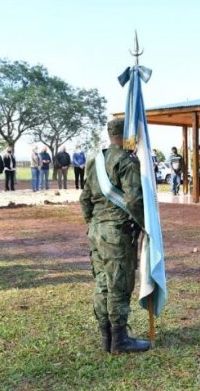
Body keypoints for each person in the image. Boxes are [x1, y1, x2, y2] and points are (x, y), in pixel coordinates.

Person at [80, 118, 151, 354]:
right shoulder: (127, 161)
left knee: (102, 283)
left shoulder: (95, 160)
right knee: (119, 285)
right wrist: (145, 225)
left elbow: (85, 199)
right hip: (117, 232)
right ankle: (120, 340)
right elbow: (133, 200)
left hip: (96, 231)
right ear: (127, 134)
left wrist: (93, 222)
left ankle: (106, 338)